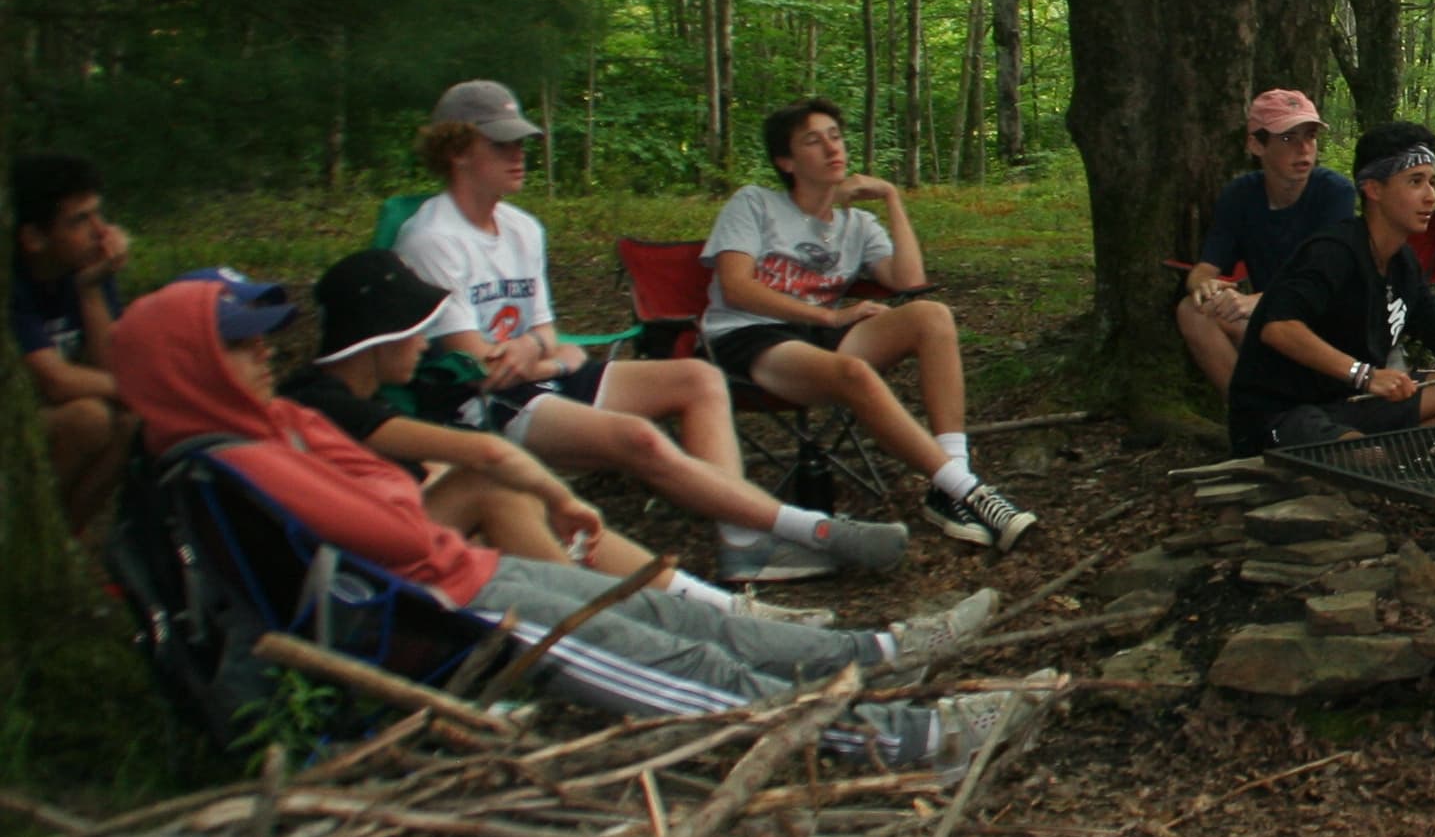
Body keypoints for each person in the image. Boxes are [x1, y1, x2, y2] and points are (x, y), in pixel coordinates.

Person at [113, 271, 1036, 771]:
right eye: (235, 345)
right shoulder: (230, 458)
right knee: (684, 669)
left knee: (675, 615)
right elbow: (390, 526)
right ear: (184, 366)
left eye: (261, 339)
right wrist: (402, 504)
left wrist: (400, 501)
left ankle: (880, 656)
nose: (261, 356)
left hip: (462, 575)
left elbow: (392, 500)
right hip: (443, 615)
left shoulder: (270, 423)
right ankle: (905, 743)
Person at [398, 81, 904, 587]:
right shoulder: (433, 239)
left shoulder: (522, 227)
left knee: (698, 379)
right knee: (635, 436)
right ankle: (813, 531)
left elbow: (545, 334)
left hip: (535, 379)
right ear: (458, 151)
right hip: (479, 405)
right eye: (501, 144)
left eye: (521, 143)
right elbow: (480, 367)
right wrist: (550, 357)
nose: (519, 155)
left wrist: (542, 353)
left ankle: (743, 543)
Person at [281, 250, 866, 626]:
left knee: (516, 493)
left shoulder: (354, 398)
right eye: (415, 332)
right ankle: (609, 630)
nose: (423, 344)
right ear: (376, 339)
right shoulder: (321, 402)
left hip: (398, 541)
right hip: (367, 574)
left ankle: (715, 609)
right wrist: (561, 497)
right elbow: (480, 451)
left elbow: (422, 472)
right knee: (499, 483)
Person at [702, 95, 1038, 553]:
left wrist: (891, 197)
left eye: (835, 137)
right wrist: (830, 314)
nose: (831, 148)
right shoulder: (755, 204)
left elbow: (911, 281)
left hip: (822, 337)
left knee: (931, 316)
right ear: (786, 161)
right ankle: (968, 492)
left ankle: (950, 485)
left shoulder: (857, 224)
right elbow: (736, 286)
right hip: (752, 334)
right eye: (812, 141)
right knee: (853, 373)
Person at [1229, 122, 1435, 453]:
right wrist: (1365, 375)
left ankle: (1391, 464)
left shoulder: (1403, 262)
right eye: (1415, 182)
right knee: (1363, 457)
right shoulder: (1333, 251)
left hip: (1350, 403)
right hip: (1284, 415)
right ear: (1374, 189)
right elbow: (1278, 328)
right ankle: (1374, 463)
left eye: (1431, 182)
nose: (1430, 197)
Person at [1177, 89, 1356, 395]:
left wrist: (1257, 301)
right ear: (1256, 145)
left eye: (1310, 136)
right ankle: (1250, 418)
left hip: (1330, 328)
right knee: (1192, 310)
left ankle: (1294, 416)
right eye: (1287, 138)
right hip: (1274, 322)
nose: (1303, 149)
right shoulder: (1240, 195)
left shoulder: (1334, 192)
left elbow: (1325, 279)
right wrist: (1203, 285)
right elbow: (1206, 266)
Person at [12, 150, 134, 536]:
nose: (101, 232)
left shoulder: (81, 269)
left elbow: (108, 370)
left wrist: (91, 289)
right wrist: (140, 389)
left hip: (43, 422)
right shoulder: (13, 283)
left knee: (130, 423)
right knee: (90, 419)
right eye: (80, 220)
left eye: (99, 214)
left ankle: (63, 544)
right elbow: (56, 381)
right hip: (17, 422)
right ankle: (26, 540)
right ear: (34, 238)